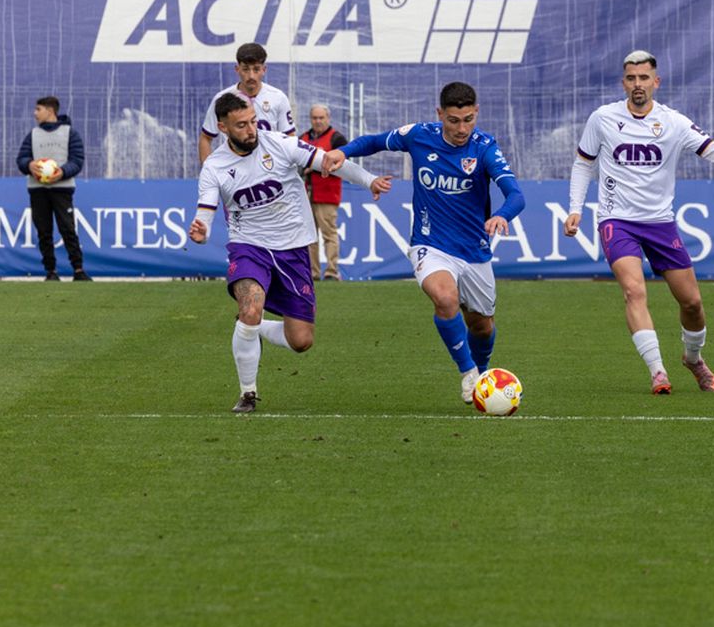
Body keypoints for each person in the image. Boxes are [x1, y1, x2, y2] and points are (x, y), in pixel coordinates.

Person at [564, 50, 714, 394]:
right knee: (634, 291)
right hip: (616, 219)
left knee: (692, 303)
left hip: (660, 223)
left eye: (644, 78)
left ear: (656, 81)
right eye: (631, 78)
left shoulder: (674, 122)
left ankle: (693, 359)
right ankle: (657, 372)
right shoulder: (603, 118)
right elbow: (583, 164)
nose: (638, 84)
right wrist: (576, 207)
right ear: (624, 82)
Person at [323, 82, 526, 405]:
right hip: (429, 244)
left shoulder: (485, 147)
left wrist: (501, 215)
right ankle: (469, 373)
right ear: (439, 114)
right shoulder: (419, 135)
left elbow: (516, 195)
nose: (463, 129)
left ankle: (482, 377)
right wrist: (341, 152)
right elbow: (374, 142)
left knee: (482, 326)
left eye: (469, 119)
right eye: (454, 120)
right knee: (445, 298)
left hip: (474, 250)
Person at [189, 93, 390, 412]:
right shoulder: (214, 166)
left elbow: (329, 161)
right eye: (241, 125)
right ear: (223, 127)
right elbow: (205, 213)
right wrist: (200, 231)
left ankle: (252, 328)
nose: (251, 129)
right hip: (249, 247)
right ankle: (248, 392)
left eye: (253, 121)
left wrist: (369, 180)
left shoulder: (279, 143)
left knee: (301, 341)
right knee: (251, 306)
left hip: (294, 246)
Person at [16, 95, 91, 282]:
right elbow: (21, 159)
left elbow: (77, 160)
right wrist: (29, 165)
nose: (35, 114)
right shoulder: (32, 135)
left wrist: (62, 172)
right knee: (44, 231)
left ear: (50, 111)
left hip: (62, 189)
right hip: (37, 189)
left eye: (38, 109)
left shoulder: (70, 133)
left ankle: (78, 270)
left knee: (67, 228)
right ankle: (51, 272)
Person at [198, 42, 295, 163]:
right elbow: (206, 137)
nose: (251, 76)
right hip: (234, 169)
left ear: (264, 69)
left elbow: (290, 138)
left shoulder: (278, 98)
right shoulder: (222, 99)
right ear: (237, 69)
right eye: (245, 69)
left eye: (256, 69)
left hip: (269, 168)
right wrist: (208, 170)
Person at [300, 104, 348, 282]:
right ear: (311, 119)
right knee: (309, 235)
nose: (318, 121)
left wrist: (312, 167)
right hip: (306, 193)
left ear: (328, 118)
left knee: (329, 233)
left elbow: (342, 164)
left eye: (321, 118)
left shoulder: (337, 139)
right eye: (315, 118)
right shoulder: (303, 137)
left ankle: (332, 270)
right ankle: (313, 272)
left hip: (327, 193)